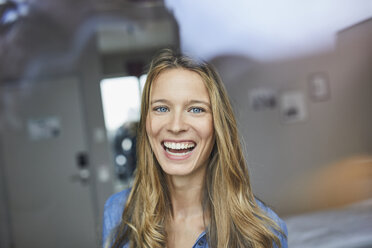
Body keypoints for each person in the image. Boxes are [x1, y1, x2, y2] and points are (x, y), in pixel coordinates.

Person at [102, 49, 288, 248]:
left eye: (196, 109)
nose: (176, 126)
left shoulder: (264, 231)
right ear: (147, 122)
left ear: (217, 125)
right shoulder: (117, 212)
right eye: (161, 108)